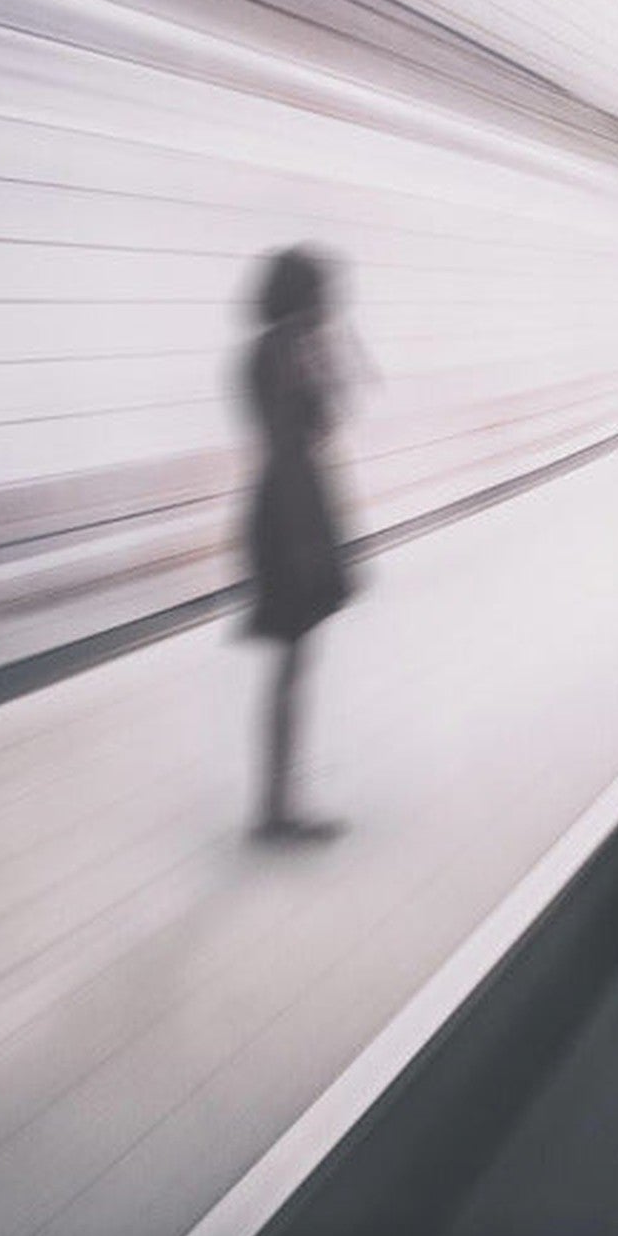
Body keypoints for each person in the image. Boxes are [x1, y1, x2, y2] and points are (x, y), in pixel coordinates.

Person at [242, 246, 353, 842]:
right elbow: (293, 442)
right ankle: (276, 812)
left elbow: (324, 421)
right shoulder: (281, 351)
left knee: (293, 664)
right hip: (290, 516)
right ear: (303, 293)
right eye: (323, 289)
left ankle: (278, 804)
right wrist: (306, 544)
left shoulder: (280, 348)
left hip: (290, 508)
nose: (332, 300)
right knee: (291, 665)